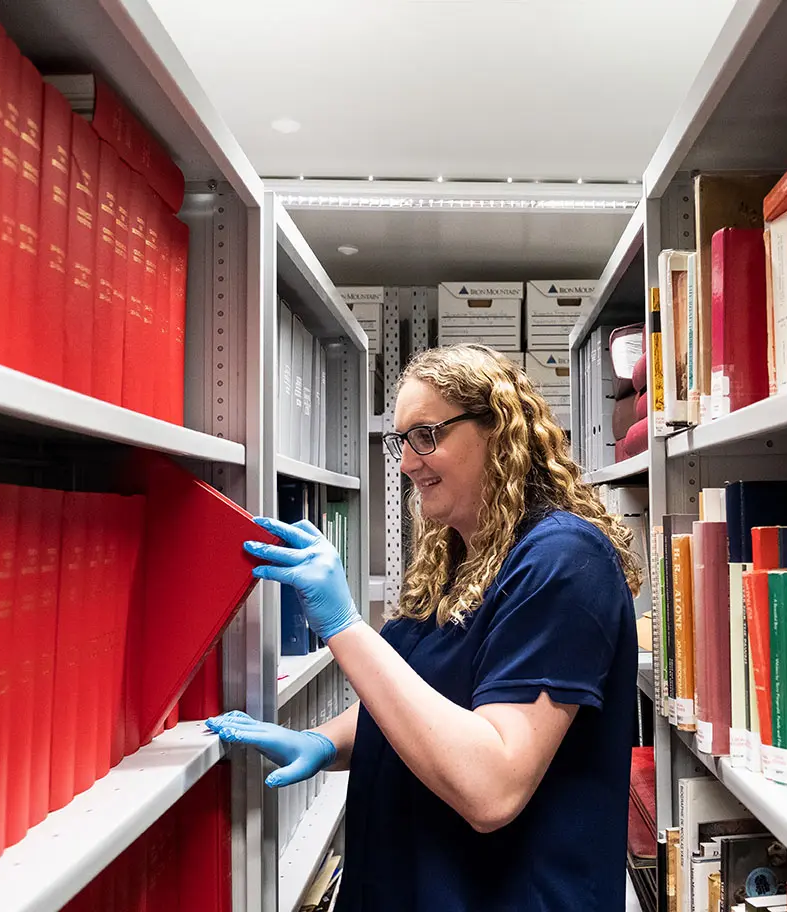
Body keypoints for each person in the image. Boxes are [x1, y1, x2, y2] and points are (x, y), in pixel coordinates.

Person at [206, 343, 643, 911]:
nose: (407, 462)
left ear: (497, 430)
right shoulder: (460, 558)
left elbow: (493, 785)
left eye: (426, 436)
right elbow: (424, 702)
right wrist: (324, 740)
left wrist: (345, 627)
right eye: (401, 442)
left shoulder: (564, 561)